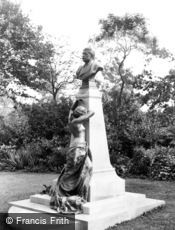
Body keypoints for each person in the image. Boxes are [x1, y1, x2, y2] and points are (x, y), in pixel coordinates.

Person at [50, 99, 94, 214]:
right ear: (80, 115)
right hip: (77, 149)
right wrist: (86, 106)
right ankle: (60, 189)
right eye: (82, 112)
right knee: (72, 172)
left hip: (78, 148)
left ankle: (67, 187)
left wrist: (76, 103)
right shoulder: (77, 121)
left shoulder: (71, 120)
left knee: (86, 167)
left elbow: (70, 111)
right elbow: (92, 112)